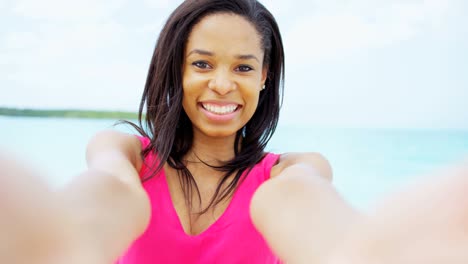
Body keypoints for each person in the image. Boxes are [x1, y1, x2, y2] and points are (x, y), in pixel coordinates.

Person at [1, 0, 467, 263]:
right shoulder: (123, 153)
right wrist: (51, 241)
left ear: (264, 77)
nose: (222, 84)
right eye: (202, 63)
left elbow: (313, 215)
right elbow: (107, 196)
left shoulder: (294, 172)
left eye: (243, 66)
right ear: (175, 70)